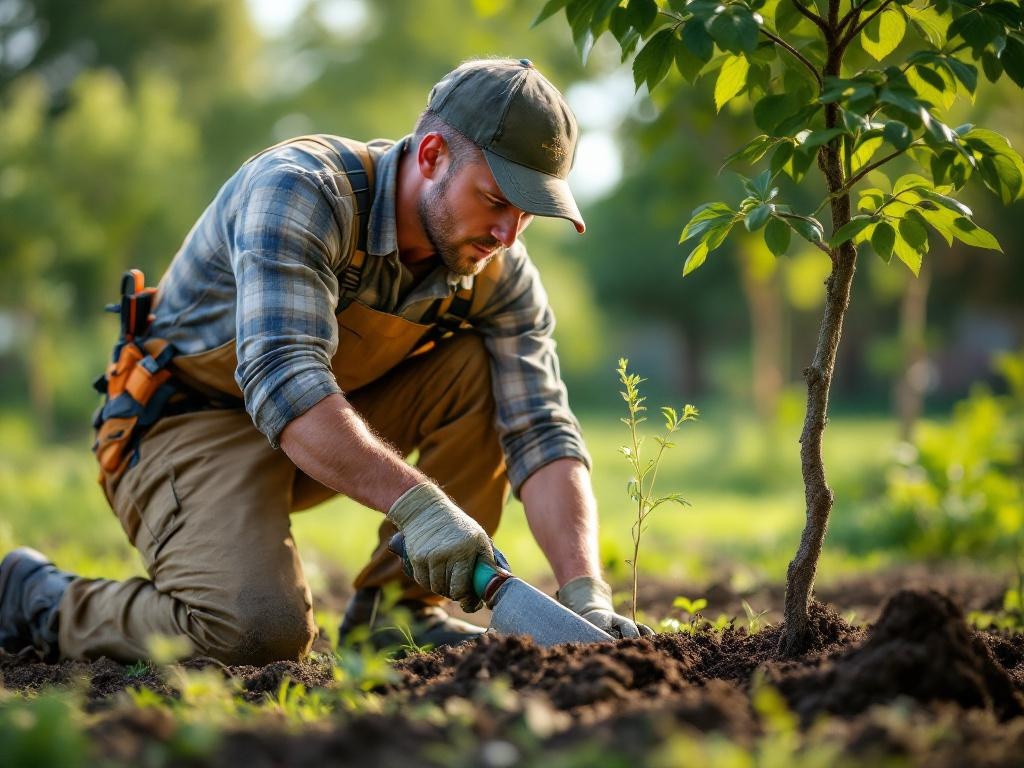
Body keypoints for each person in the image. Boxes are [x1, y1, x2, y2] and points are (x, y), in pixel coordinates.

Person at [0, 58, 651, 666]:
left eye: (529, 212)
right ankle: (42, 601)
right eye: (497, 199)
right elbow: (285, 380)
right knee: (258, 632)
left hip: (319, 434)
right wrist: (421, 510)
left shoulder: (494, 267)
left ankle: (399, 616)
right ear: (431, 156)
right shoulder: (303, 192)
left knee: (485, 366)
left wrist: (583, 590)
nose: (509, 233)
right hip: (186, 425)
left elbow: (540, 425)